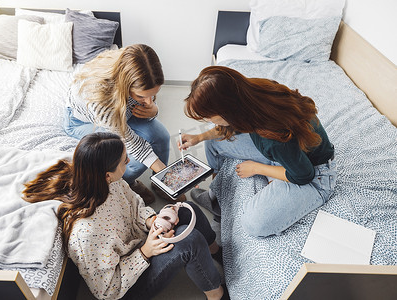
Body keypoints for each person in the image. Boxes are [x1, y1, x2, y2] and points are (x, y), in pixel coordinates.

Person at [22, 132, 227, 300]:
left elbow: (135, 206)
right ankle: (216, 294)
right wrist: (146, 251)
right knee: (188, 240)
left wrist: (152, 221)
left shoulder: (112, 182)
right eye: (123, 161)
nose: (129, 161)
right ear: (106, 174)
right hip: (127, 287)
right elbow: (107, 291)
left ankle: (216, 251)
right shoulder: (86, 234)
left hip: (140, 242)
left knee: (186, 208)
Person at [179, 66, 337, 237]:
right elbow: (231, 126)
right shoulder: (250, 95)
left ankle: (265, 176)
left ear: (227, 112)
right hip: (289, 153)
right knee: (213, 141)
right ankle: (216, 198)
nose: (207, 120)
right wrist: (198, 137)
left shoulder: (273, 136)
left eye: (208, 116)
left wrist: (256, 168)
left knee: (252, 223)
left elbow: (304, 175)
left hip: (315, 175)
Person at [63, 44, 184, 204]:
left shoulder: (135, 69)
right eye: (142, 96)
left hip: (121, 111)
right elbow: (133, 144)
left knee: (161, 135)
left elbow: (146, 107)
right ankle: (128, 184)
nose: (148, 101)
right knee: (128, 159)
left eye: (153, 95)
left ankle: (159, 183)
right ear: (125, 85)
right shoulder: (100, 98)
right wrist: (169, 175)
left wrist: (153, 110)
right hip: (83, 122)